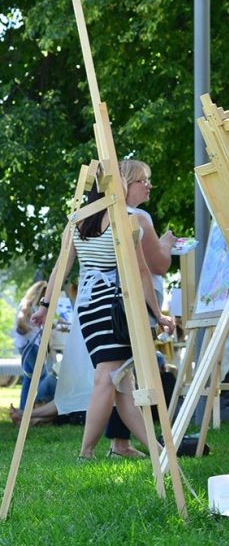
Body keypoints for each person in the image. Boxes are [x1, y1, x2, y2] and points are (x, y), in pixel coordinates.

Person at [31, 173, 176, 460]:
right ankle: (85, 453)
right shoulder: (125, 219)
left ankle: (161, 453)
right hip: (111, 306)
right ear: (114, 188)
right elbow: (142, 271)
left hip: (87, 307)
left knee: (123, 386)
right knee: (108, 379)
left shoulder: (77, 220)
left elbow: (62, 266)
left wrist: (45, 306)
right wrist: (158, 315)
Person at [101, 159, 177, 457]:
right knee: (132, 374)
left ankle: (121, 442)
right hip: (140, 301)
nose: (148, 186)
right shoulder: (139, 218)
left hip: (115, 302)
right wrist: (169, 243)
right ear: (127, 183)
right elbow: (157, 264)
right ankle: (139, 443)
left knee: (124, 373)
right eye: (142, 180)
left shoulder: (105, 216)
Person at [13, 281, 58, 412]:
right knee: (42, 375)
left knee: (29, 377)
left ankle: (24, 409)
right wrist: (30, 329)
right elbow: (20, 322)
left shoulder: (31, 305)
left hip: (26, 345)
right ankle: (39, 407)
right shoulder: (27, 304)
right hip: (30, 345)